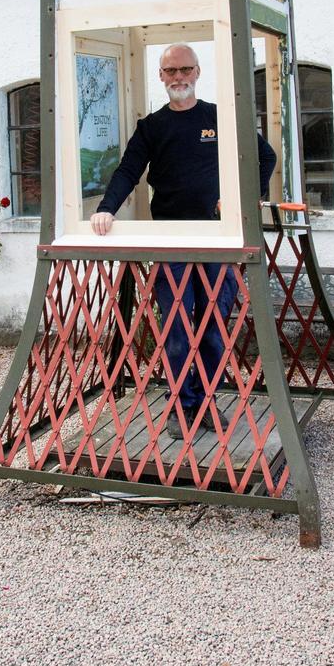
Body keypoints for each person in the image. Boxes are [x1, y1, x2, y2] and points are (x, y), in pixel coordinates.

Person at [90, 44, 276, 439]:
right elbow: (128, 171)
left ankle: (205, 403)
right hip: (170, 241)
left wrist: (247, 201)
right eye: (170, 70)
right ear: (160, 76)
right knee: (176, 328)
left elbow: (266, 157)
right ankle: (179, 406)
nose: (178, 77)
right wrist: (107, 208)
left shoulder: (219, 117)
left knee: (213, 326)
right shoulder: (152, 127)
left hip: (217, 240)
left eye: (185, 69)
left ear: (197, 71)